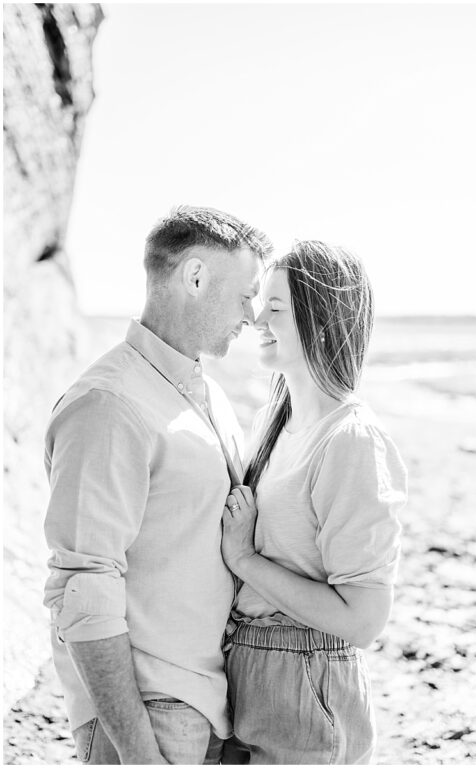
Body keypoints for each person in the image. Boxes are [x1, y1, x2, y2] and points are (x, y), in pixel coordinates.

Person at [43, 206, 271, 764]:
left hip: (213, 702)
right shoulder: (109, 405)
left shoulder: (206, 393)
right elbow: (83, 588)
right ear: (194, 277)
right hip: (149, 713)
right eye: (245, 294)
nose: (252, 313)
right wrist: (140, 752)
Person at [219, 241, 405, 764]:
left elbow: (364, 619)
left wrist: (244, 561)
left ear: (322, 321)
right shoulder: (271, 424)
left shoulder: (351, 441)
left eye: (275, 308)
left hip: (306, 678)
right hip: (245, 667)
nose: (257, 317)